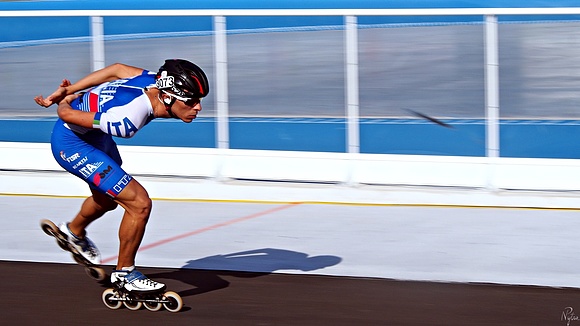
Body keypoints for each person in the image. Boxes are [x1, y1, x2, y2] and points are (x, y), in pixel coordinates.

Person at [34, 59, 209, 292]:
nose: (198, 108)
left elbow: (117, 70)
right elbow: (67, 116)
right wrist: (65, 101)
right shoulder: (127, 120)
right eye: (192, 101)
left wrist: (69, 89)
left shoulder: (154, 80)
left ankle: (73, 232)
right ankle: (125, 274)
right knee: (139, 203)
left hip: (96, 137)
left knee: (107, 200)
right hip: (73, 143)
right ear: (167, 97)